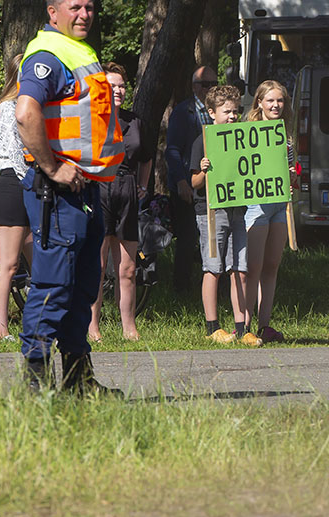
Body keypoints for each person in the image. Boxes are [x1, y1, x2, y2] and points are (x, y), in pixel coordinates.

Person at [15, 0, 125, 394]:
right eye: (75, 7)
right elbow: (26, 114)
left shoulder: (80, 53)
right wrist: (53, 167)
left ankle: (78, 384)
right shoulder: (48, 53)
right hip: (58, 194)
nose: (84, 14)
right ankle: (36, 389)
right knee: (52, 288)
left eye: (89, 7)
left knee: (81, 291)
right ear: (53, 12)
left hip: (86, 192)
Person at [87, 62, 153, 343]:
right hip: (99, 188)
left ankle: (129, 327)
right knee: (97, 267)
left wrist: (141, 185)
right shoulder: (91, 118)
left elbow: (147, 156)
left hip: (127, 188)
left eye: (122, 86)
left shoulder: (135, 120)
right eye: (112, 85)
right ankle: (92, 327)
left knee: (127, 268)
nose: (118, 90)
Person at [190, 84, 257, 346]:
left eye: (235, 112)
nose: (232, 116)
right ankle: (212, 327)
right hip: (211, 212)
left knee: (240, 269)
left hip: (237, 211)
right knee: (213, 268)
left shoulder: (241, 139)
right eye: (226, 112)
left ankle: (242, 328)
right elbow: (194, 182)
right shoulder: (203, 141)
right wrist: (204, 170)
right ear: (211, 113)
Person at [243, 80, 298, 344]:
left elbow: (291, 168)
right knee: (253, 267)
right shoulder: (248, 132)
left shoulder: (287, 133)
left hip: (280, 205)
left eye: (280, 100)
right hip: (257, 205)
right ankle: (245, 325)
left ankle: (265, 325)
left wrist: (291, 175)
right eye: (270, 101)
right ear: (259, 103)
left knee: (272, 266)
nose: (276, 105)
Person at [0, 56, 34, 343]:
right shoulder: (8, 109)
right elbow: (16, 156)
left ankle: (40, 321)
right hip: (14, 184)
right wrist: (31, 181)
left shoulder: (28, 107)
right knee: (9, 264)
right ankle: (2, 329)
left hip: (29, 183)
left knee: (40, 262)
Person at [165, 65, 217, 295]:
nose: (210, 88)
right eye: (206, 84)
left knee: (214, 239)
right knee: (187, 239)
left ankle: (216, 289)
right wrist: (181, 182)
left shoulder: (220, 111)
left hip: (213, 184)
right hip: (187, 184)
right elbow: (173, 150)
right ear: (195, 86)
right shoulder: (182, 111)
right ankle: (181, 291)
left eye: (214, 84)